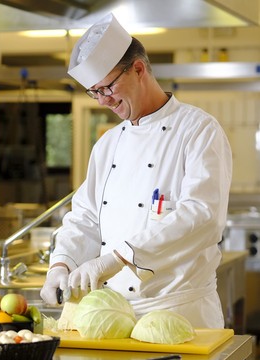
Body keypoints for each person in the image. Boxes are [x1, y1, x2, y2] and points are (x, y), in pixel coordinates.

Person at [39, 14, 232, 328]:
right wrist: (61, 265)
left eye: (107, 88)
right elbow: (86, 217)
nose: (103, 101)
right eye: (94, 92)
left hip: (179, 314)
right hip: (114, 315)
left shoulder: (198, 130)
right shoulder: (108, 144)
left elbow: (203, 216)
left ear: (139, 69)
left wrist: (117, 259)